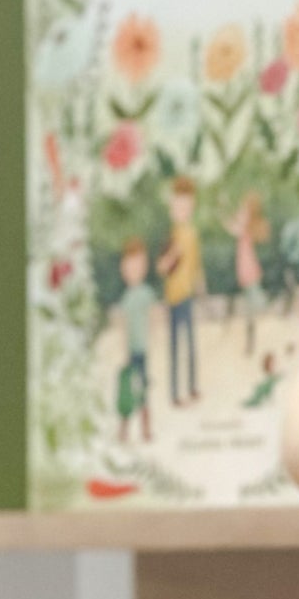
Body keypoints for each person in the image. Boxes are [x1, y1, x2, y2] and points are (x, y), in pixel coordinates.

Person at [157, 174, 203, 403]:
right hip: (172, 296)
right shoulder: (171, 236)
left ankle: (193, 387)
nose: (181, 210)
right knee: (175, 346)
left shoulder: (192, 234)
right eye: (177, 206)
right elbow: (161, 267)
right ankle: (175, 393)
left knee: (191, 344)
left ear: (191, 207)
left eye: (186, 206)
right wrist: (172, 255)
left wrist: (200, 286)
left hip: (188, 295)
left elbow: (196, 264)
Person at [110, 237, 156, 442]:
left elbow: (153, 319)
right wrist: (122, 349)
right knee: (127, 392)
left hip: (142, 349)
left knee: (142, 389)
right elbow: (123, 325)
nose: (132, 270)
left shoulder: (146, 293)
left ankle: (145, 429)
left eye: (138, 265)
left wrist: (153, 341)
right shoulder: (126, 297)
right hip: (130, 350)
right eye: (129, 266)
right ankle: (124, 430)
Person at [229, 191, 269, 351]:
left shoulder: (245, 229)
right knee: (250, 309)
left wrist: (225, 211)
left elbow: (234, 226)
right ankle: (250, 341)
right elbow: (234, 224)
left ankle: (251, 341)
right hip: (247, 273)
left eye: (243, 209)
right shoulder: (245, 229)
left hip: (249, 272)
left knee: (255, 306)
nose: (241, 212)